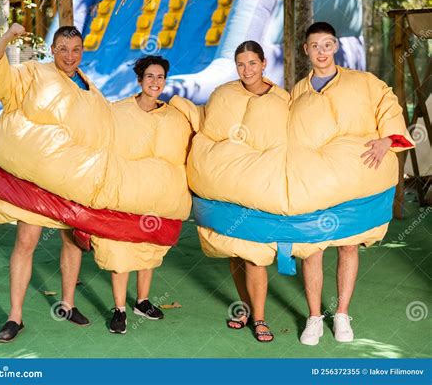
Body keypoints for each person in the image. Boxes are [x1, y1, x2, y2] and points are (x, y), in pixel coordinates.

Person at [0, 23, 113, 342]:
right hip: (37, 177)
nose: (69, 56)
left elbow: (106, 128)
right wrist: (7, 38)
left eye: (75, 49)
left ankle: (67, 303)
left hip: (72, 180)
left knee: (72, 241)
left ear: (82, 52)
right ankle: (15, 317)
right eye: (62, 49)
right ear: (52, 50)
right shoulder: (34, 72)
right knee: (26, 241)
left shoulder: (90, 88)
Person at [292, 22, 414, 346]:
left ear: (335, 47)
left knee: (349, 244)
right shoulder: (297, 92)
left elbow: (388, 103)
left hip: (354, 178)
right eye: (314, 45)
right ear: (306, 49)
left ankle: (342, 314)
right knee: (312, 248)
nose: (321, 51)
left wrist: (388, 138)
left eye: (327, 45)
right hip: (315, 182)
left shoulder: (364, 83)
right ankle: (314, 316)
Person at [172, 40, 291, 342]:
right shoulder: (224, 94)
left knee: (255, 255)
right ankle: (246, 309)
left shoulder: (282, 100)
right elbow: (208, 125)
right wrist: (180, 107)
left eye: (252, 63)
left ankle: (261, 318)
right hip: (226, 188)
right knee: (234, 252)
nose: (247, 69)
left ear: (264, 63)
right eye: (241, 64)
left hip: (258, 188)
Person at [101, 55, 192, 334]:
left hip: (157, 196)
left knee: (148, 248)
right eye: (150, 77)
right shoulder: (118, 111)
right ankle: (119, 309)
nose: (155, 82)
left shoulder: (173, 117)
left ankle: (142, 301)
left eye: (160, 77)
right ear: (139, 80)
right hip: (125, 193)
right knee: (119, 249)